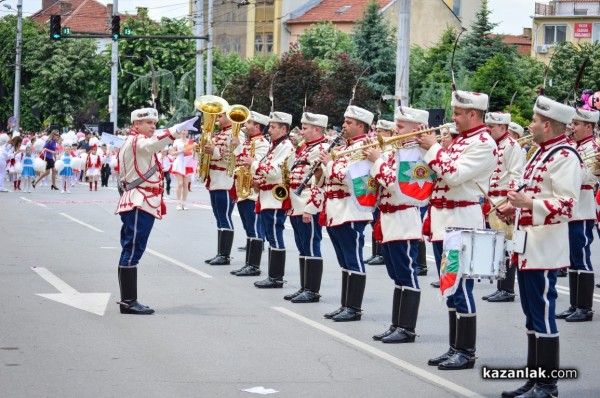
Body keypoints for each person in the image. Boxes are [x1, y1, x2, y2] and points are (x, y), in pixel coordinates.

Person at [498, 96, 582, 398]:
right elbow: (530, 192)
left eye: (534, 121)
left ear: (547, 124)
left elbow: (567, 206)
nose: (530, 125)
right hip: (528, 244)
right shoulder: (541, 152)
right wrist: (513, 206)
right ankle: (535, 380)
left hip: (545, 247)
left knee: (543, 314)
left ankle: (548, 385)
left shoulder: (565, 156)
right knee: (532, 315)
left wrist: (528, 203)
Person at [416, 90, 497, 370]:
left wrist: (433, 148)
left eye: (458, 113)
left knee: (461, 287)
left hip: (462, 220)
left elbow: (454, 174)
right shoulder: (462, 141)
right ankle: (454, 347)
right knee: (450, 288)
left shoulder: (484, 143)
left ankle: (466, 351)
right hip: (445, 221)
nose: (453, 118)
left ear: (473, 114)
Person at [115, 107, 197, 315]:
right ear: (136, 125)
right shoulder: (137, 142)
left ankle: (128, 300)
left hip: (142, 200)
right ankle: (128, 301)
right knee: (133, 249)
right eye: (148, 123)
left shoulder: (137, 142)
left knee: (133, 249)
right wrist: (177, 129)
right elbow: (153, 143)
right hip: (139, 201)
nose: (153, 126)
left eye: (154, 123)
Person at [365, 106, 429, 343]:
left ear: (416, 130)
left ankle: (407, 328)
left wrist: (377, 161)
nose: (394, 130)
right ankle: (397, 324)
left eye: (400, 127)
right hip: (390, 218)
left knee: (406, 273)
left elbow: (396, 185)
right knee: (396, 274)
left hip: (404, 219)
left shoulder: (419, 154)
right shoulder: (397, 150)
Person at [318, 105, 374, 322]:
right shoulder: (345, 148)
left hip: (352, 211)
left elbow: (349, 176)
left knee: (353, 259)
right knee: (344, 261)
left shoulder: (364, 148)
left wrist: (330, 164)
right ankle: (345, 304)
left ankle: (354, 308)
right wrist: (322, 169)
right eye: (345, 121)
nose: (344, 126)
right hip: (337, 210)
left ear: (361, 126)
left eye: (349, 123)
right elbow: (331, 177)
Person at [240, 111, 294, 288]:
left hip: (274, 199)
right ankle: (273, 275)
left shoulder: (285, 145)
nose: (268, 130)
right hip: (266, 197)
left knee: (275, 236)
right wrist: (257, 181)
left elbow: (273, 172)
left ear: (283, 129)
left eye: (273, 127)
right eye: (269, 126)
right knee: (271, 237)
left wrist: (253, 164)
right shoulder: (276, 145)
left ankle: (276, 277)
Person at [554, 107, 599, 322]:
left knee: (581, 257)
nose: (572, 127)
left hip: (582, 208)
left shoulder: (594, 148)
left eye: (577, 124)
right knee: (572, 258)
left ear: (589, 126)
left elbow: (587, 178)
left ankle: (585, 307)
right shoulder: (573, 146)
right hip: (570, 210)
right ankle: (574, 304)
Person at [283, 112, 329, 302]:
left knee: (311, 245)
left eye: (305, 128)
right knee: (302, 247)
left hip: (308, 204)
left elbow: (320, 181)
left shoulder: (322, 148)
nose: (301, 132)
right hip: (296, 203)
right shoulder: (305, 148)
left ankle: (312, 290)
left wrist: (311, 208)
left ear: (316, 129)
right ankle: (304, 286)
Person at [481, 111, 525, 303]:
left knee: (507, 246)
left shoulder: (512, 146)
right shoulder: (490, 145)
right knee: (498, 246)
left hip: (503, 201)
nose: (487, 129)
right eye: (487, 125)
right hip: (491, 200)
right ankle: (501, 286)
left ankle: (507, 289)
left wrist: (511, 204)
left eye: (491, 127)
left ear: (503, 128)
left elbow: (517, 177)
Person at [230, 111, 270, 277]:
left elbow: (253, 163)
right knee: (248, 229)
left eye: (248, 123)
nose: (245, 126)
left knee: (254, 229)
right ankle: (248, 263)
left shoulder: (262, 143)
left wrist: (238, 147)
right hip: (243, 190)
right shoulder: (248, 142)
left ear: (257, 126)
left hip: (253, 192)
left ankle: (254, 266)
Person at [203, 112, 236, 265]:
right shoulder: (218, 134)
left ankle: (225, 255)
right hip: (215, 180)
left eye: (220, 116)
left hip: (225, 181)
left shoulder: (235, 134)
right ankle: (220, 253)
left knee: (225, 217)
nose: (217, 119)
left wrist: (213, 151)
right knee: (219, 218)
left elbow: (233, 156)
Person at [364, 119, 396, 267]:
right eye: (377, 131)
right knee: (375, 222)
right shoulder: (380, 147)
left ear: (388, 133)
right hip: (377, 189)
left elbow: (384, 165)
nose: (377, 133)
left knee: (379, 221)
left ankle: (381, 253)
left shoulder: (390, 148)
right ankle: (376, 253)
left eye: (380, 131)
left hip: (386, 189)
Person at [169, 130, 194, 210]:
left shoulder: (190, 141)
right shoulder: (176, 141)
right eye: (183, 130)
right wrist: (181, 151)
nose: (184, 132)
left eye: (185, 130)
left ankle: (184, 203)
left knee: (186, 184)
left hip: (188, 162)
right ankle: (179, 203)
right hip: (179, 162)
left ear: (187, 132)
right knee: (180, 183)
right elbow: (172, 153)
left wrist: (193, 149)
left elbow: (192, 153)